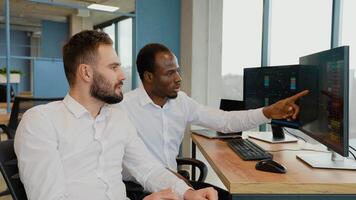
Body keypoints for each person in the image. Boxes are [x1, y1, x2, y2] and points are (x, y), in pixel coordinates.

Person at [14, 31, 218, 200]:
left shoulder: (118, 118)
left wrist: (188, 193)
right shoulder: (41, 121)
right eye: (113, 67)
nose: (122, 76)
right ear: (86, 73)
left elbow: (148, 169)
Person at [118, 43, 308, 184]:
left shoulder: (181, 101)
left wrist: (268, 112)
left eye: (177, 71)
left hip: (175, 184)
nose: (178, 78)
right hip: (140, 188)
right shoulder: (123, 109)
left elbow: (225, 121)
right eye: (170, 73)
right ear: (149, 77)